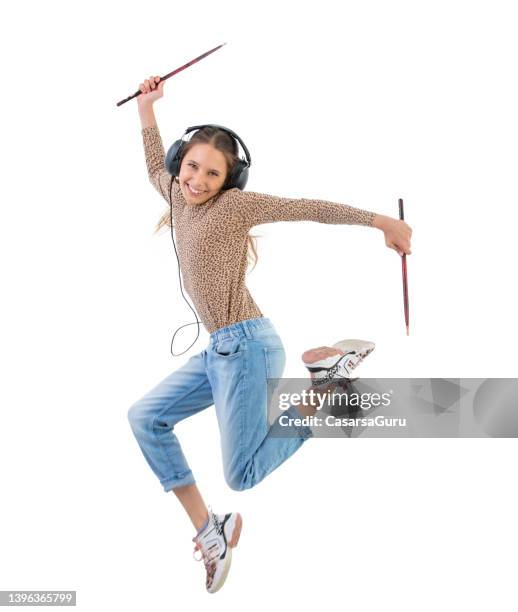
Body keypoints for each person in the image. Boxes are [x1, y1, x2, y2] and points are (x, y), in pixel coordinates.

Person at [127, 75, 413, 593]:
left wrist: (379, 223)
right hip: (220, 351)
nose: (197, 180)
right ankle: (210, 532)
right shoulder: (173, 191)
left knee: (243, 474)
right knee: (146, 418)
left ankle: (321, 395)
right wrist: (147, 107)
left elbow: (305, 207)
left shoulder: (234, 207)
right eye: (190, 166)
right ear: (179, 163)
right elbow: (152, 161)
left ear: (229, 180)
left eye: (212, 174)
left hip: (247, 346)